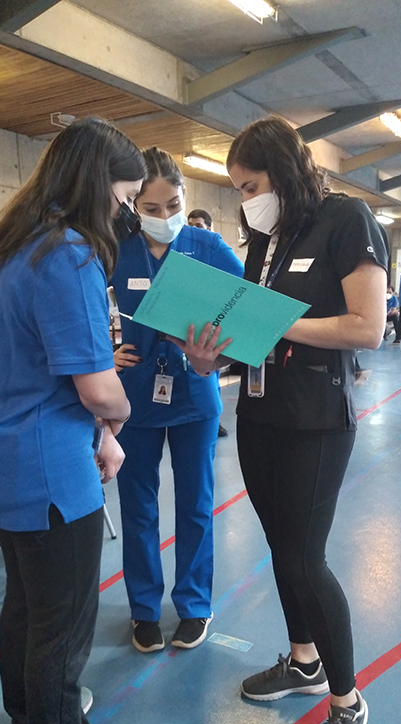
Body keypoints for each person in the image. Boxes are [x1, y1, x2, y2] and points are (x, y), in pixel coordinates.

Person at [169, 116, 388, 724]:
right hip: (261, 413)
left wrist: (279, 322)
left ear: (284, 173)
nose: (246, 200)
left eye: (251, 186)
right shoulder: (266, 239)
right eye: (238, 189)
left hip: (317, 420)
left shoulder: (345, 220)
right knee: (280, 548)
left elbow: (368, 327)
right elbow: (248, 340)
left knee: (304, 558)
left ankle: (348, 705)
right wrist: (208, 357)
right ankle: (304, 661)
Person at [0, 117, 152, 724]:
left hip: (1, 459)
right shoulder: (69, 254)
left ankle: (30, 720)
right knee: (63, 629)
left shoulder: (15, 245)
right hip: (46, 468)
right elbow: (97, 386)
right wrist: (118, 418)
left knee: (28, 602)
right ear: (98, 187)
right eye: (123, 198)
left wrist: (98, 428)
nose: (126, 214)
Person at [110, 148, 244, 654]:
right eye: (151, 207)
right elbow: (81, 307)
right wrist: (102, 352)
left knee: (195, 505)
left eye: (173, 205)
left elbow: (248, 309)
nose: (164, 216)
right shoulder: (117, 249)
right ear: (133, 205)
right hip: (135, 396)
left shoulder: (208, 247)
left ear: (185, 199)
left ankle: (194, 605)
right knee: (138, 507)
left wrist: (216, 354)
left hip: (193, 393)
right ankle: (144, 608)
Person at [187, 207, 231, 437]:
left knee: (213, 374)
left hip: (214, 326)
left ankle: (216, 418)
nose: (194, 231)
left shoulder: (216, 253)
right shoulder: (186, 255)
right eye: (190, 226)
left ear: (210, 228)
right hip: (193, 326)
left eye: (199, 226)